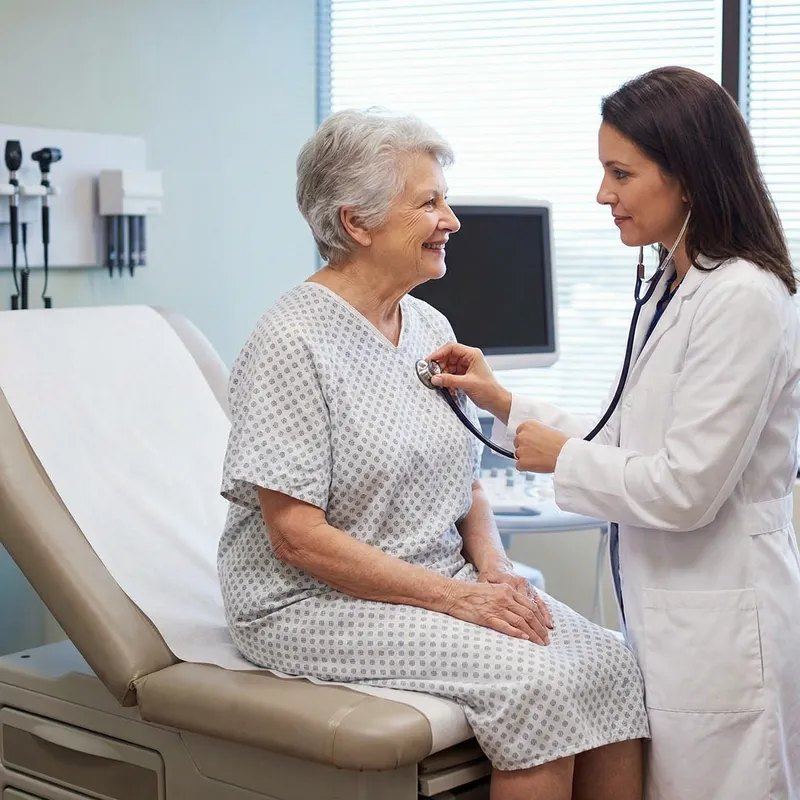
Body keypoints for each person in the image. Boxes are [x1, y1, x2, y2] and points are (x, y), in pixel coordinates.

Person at [218, 108, 649, 800]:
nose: (451, 219)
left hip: (435, 579)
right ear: (358, 222)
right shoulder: (291, 343)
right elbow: (296, 539)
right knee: (537, 681)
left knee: (611, 662)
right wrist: (460, 601)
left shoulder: (426, 324)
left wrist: (496, 570)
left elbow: (466, 481)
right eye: (429, 202)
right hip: (309, 603)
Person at [428, 66, 800, 800]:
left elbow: (687, 488)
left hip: (722, 625)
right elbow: (627, 434)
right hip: (675, 620)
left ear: (687, 175)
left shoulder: (744, 299)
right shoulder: (675, 285)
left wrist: (560, 458)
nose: (604, 194)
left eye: (620, 173)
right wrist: (502, 401)